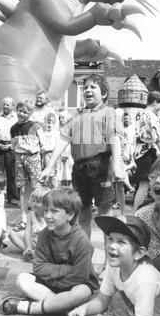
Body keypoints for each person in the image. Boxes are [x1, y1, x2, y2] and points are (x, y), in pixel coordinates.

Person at [67, 216, 160, 316]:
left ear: (138, 253)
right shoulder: (115, 265)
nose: (112, 245)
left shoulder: (145, 279)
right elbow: (101, 301)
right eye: (110, 239)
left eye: (121, 242)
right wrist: (82, 309)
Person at [40, 74, 123, 239]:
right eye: (85, 88)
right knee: (81, 213)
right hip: (79, 168)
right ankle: (83, 257)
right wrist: (49, 166)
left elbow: (114, 138)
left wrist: (118, 167)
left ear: (104, 94)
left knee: (105, 214)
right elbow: (64, 139)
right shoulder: (77, 115)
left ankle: (108, 264)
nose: (88, 90)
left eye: (93, 87)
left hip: (101, 165)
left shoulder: (109, 112)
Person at [0, 187, 99, 315]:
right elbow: (39, 267)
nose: (47, 216)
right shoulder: (44, 235)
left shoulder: (81, 240)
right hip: (52, 285)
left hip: (76, 285)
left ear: (70, 214)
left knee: (81, 293)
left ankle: (29, 308)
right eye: (46, 210)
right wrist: (66, 269)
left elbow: (79, 277)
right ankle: (61, 305)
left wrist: (54, 279)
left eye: (54, 211)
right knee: (22, 279)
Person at [10, 99, 44, 229]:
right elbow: (13, 146)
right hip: (19, 158)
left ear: (30, 113)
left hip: (33, 157)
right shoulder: (13, 128)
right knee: (22, 188)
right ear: (16, 110)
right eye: (20, 111)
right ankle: (23, 218)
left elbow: (43, 143)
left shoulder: (34, 125)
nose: (22, 114)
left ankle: (40, 215)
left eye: (26, 112)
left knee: (36, 187)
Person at [133, 91, 160, 212]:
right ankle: (136, 212)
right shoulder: (150, 115)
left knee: (148, 183)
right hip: (146, 152)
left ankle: (145, 210)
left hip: (140, 151)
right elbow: (156, 137)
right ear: (155, 102)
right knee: (144, 184)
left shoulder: (139, 114)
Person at [8, 186, 50, 260]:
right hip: (34, 242)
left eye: (38, 202)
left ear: (46, 204)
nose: (34, 204)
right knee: (12, 233)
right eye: (33, 201)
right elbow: (27, 233)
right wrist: (28, 247)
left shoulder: (49, 216)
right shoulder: (31, 215)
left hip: (46, 246)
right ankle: (30, 252)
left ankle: (38, 255)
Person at [0, 97, 18, 204]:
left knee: (12, 174)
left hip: (12, 148)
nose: (5, 106)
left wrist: (11, 145)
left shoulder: (16, 117)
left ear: (13, 106)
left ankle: (12, 197)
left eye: (7, 105)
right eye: (4, 104)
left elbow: (19, 135)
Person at [41, 112, 60, 188]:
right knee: (45, 176)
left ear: (54, 124)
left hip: (52, 156)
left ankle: (55, 191)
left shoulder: (56, 133)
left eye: (50, 123)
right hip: (44, 156)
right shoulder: (44, 133)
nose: (48, 125)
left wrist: (47, 148)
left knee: (52, 176)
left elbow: (57, 146)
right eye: (46, 123)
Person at [57, 110, 73, 187]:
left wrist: (67, 154)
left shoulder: (71, 130)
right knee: (61, 175)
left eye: (63, 118)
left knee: (68, 173)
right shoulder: (58, 131)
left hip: (69, 155)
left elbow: (70, 143)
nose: (60, 120)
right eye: (60, 118)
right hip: (60, 155)